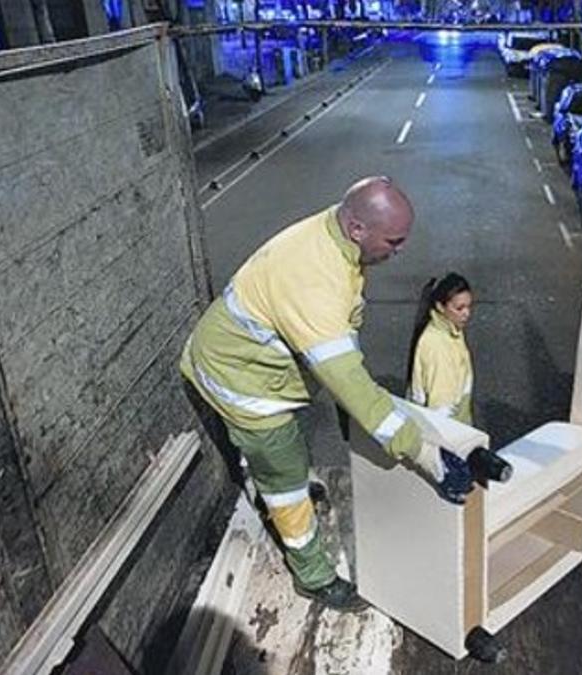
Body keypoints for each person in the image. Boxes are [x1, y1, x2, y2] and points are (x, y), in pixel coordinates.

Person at [179, 177, 463, 611]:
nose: (399, 250)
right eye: (394, 241)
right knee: (286, 479)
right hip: (243, 385)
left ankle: (270, 482)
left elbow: (338, 343)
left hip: (255, 366)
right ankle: (312, 575)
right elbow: (345, 375)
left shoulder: (338, 239)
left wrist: (354, 404)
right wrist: (420, 452)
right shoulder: (314, 278)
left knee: (287, 457)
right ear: (357, 229)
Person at [406, 273, 475, 425]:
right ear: (440, 306)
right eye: (459, 308)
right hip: (451, 434)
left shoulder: (450, 328)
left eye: (468, 306)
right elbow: (441, 411)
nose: (467, 314)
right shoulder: (438, 348)